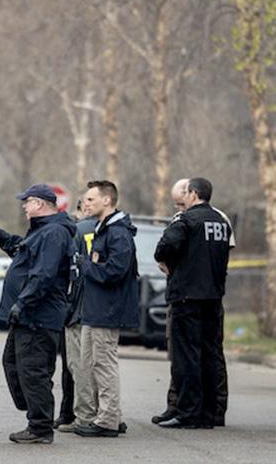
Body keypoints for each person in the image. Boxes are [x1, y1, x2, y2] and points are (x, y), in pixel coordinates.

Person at [0, 183, 76, 444]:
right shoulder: (41, 232)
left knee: (34, 370)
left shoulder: (54, 233)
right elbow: (24, 252)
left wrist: (22, 303)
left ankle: (40, 427)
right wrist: (1, 236)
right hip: (28, 316)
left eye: (27, 202)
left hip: (39, 316)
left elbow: (44, 275)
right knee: (13, 363)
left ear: (40, 204)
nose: (24, 206)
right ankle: (38, 412)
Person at [153, 178, 235, 426]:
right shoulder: (221, 222)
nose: (183, 199)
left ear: (194, 194)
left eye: (186, 193)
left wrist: (166, 260)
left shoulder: (187, 219)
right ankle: (210, 412)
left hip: (187, 296)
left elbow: (165, 247)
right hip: (213, 297)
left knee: (186, 356)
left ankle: (189, 413)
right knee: (210, 355)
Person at [64, 181, 138, 438]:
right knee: (90, 364)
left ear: (107, 201)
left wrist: (87, 265)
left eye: (91, 200)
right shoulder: (103, 229)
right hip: (93, 309)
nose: (86, 204)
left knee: (104, 365)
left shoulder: (118, 233)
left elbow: (115, 271)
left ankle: (107, 420)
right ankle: (111, 416)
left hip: (108, 309)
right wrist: (92, 264)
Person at [54, 198, 96, 429]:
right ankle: (108, 414)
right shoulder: (110, 231)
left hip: (76, 306)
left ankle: (81, 415)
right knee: (99, 363)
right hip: (101, 305)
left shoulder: (77, 232)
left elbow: (69, 272)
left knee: (76, 364)